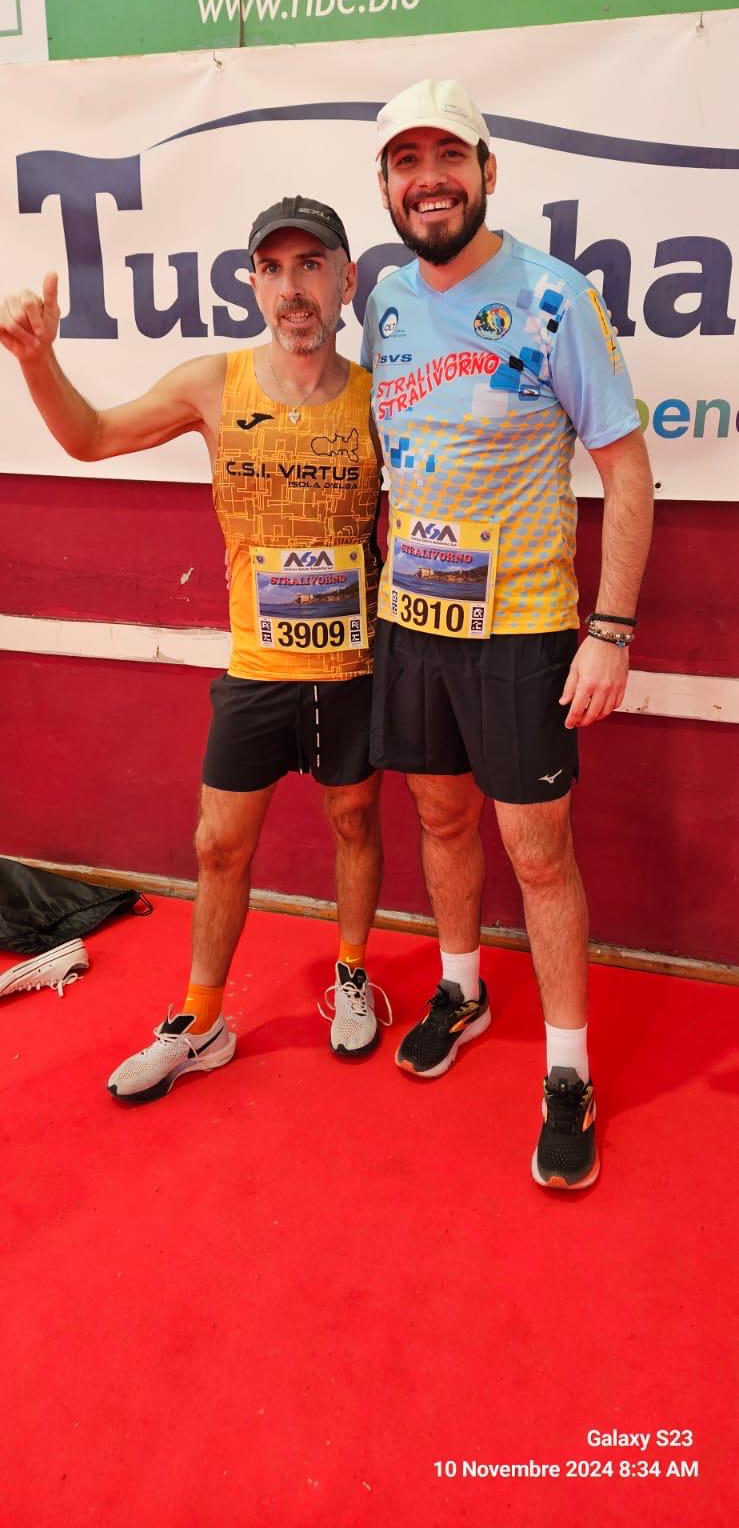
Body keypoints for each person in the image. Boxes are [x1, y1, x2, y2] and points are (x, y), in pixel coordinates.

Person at [0, 195, 389, 1101]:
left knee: (355, 821)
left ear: (346, 281)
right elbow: (91, 437)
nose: (292, 289)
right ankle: (201, 1019)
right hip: (256, 665)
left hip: (354, 663)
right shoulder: (213, 382)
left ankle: (351, 972)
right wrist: (37, 360)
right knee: (218, 845)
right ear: (253, 284)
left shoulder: (379, 398)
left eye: (311, 265)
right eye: (273, 269)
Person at [361, 79, 654, 1189]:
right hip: (411, 620)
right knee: (440, 818)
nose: (428, 178)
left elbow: (626, 470)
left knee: (536, 852)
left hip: (524, 629)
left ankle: (568, 1071)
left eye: (448, 156)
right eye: (406, 161)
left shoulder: (552, 295)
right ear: (387, 185)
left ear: (487, 171)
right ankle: (462, 988)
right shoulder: (385, 300)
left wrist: (609, 629)